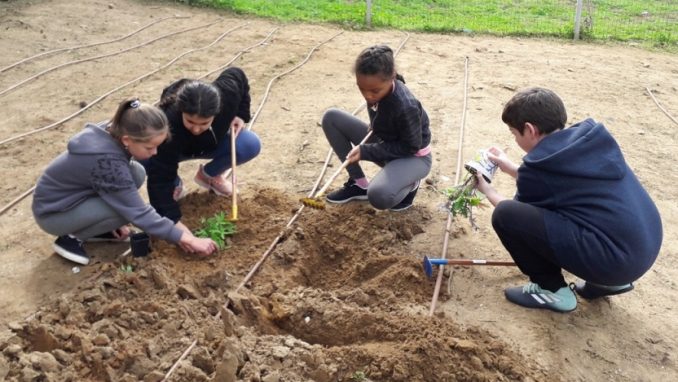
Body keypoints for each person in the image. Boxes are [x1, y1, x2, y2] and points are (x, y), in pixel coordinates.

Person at [475, 87, 663, 313]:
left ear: (530, 130)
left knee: (504, 216)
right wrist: (513, 169)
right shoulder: (589, 138)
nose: (514, 139)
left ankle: (551, 289)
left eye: (514, 134)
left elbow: (516, 213)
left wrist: (488, 190)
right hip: (644, 246)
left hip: (615, 262)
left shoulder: (538, 169)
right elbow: (558, 185)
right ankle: (608, 282)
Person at [32, 98, 218, 266]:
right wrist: (185, 238)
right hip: (54, 213)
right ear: (127, 140)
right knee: (125, 211)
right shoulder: (107, 162)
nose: (155, 153)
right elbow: (138, 212)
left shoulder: (117, 129)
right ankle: (70, 238)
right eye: (149, 147)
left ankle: (97, 229)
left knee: (136, 172)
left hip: (74, 198)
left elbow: (115, 186)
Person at [320, 45, 432, 211]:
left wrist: (366, 151)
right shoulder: (375, 90)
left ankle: (410, 183)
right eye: (361, 89)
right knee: (331, 118)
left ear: (391, 77)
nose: (367, 96)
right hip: (386, 142)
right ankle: (359, 184)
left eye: (374, 91)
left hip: (413, 157)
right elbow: (378, 113)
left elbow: (410, 146)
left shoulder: (405, 106)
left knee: (379, 196)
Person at [144, 67, 261, 223]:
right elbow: (159, 177)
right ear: (181, 111)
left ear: (217, 112)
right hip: (178, 149)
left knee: (249, 144)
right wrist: (172, 221)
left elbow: (237, 74)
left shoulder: (227, 95)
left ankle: (210, 175)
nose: (197, 129)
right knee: (144, 155)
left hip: (212, 144)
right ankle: (175, 185)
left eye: (204, 123)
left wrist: (241, 113)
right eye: (190, 121)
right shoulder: (168, 124)